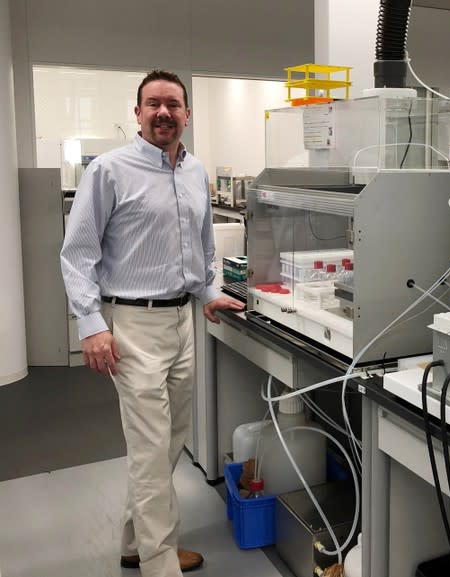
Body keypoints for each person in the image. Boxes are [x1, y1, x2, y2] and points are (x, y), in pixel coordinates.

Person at [61, 69, 244, 577]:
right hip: (131, 325)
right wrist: (91, 324)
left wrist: (209, 292)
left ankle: (133, 542)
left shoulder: (194, 171)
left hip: (182, 322)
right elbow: (76, 255)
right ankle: (159, 563)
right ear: (137, 112)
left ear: (188, 113)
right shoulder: (110, 171)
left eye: (173, 104)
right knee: (148, 446)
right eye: (153, 104)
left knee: (166, 443)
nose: (164, 112)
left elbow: (203, 247)